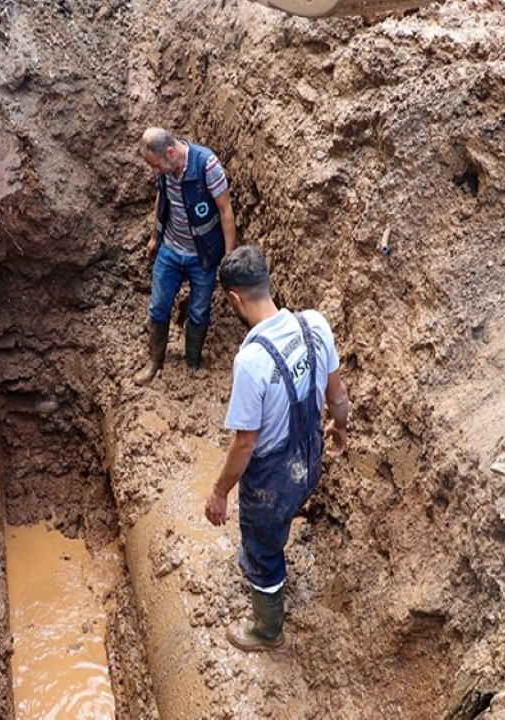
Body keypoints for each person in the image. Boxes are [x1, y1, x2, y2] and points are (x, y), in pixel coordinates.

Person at [204, 246, 350, 651]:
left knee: (262, 546)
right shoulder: (315, 324)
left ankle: (268, 630)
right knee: (281, 515)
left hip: (272, 480)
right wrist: (339, 428)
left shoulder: (251, 361)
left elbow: (246, 443)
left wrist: (219, 492)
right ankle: (277, 536)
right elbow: (337, 394)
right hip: (310, 458)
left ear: (234, 298)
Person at [132, 127, 237, 384]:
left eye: (156, 165)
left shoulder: (206, 165)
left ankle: (193, 361)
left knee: (199, 312)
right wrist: (155, 236)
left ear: (170, 152)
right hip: (170, 249)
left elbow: (226, 211)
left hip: (203, 254)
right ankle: (155, 361)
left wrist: (228, 257)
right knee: (158, 307)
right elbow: (162, 198)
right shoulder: (165, 171)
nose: (155, 172)